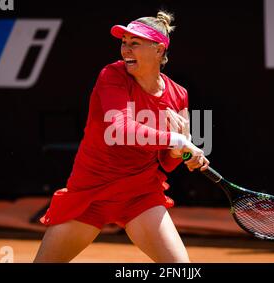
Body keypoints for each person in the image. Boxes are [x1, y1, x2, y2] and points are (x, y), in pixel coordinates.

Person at [34, 11, 209, 263]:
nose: (126, 50)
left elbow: (167, 161)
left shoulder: (178, 94)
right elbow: (120, 129)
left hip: (139, 196)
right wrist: (179, 141)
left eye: (134, 43)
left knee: (180, 268)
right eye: (124, 42)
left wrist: (183, 153)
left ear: (159, 50)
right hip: (90, 193)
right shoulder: (112, 75)